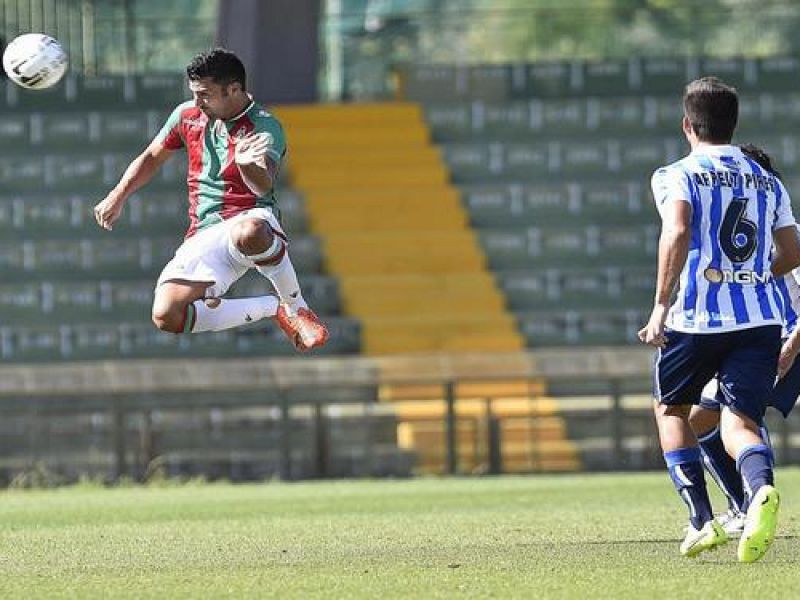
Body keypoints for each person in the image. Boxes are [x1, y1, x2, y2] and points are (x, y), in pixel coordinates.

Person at [639, 77, 800, 561]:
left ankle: (701, 521)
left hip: (697, 319)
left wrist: (660, 305)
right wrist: (751, 275)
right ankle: (759, 489)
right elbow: (792, 252)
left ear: (687, 125)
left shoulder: (675, 174)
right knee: (740, 421)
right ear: (733, 123)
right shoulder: (768, 181)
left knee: (671, 410)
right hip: (760, 322)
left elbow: (678, 230)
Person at [93, 49, 328, 351]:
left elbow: (262, 186)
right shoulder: (187, 116)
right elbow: (152, 156)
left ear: (234, 89)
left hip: (250, 214)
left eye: (204, 94)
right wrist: (118, 194)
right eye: (194, 93)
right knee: (166, 315)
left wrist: (245, 165)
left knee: (250, 232)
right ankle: (273, 308)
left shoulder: (264, 126)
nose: (197, 102)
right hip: (204, 231)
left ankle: (296, 308)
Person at [688, 145, 800, 538]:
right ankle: (745, 503)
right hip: (761, 339)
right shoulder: (742, 238)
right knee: (703, 417)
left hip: (785, 342)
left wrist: (792, 346)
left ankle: (752, 501)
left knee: (738, 417)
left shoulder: (788, 238)